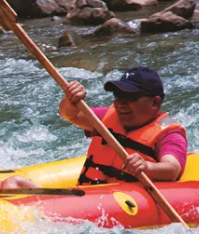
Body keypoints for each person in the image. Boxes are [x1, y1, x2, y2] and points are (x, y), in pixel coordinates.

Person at [59, 66, 187, 185]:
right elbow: (70, 115)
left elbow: (172, 169)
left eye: (130, 98)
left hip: (127, 204)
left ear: (154, 102)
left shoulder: (170, 134)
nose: (120, 104)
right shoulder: (107, 116)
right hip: (90, 196)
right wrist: (70, 99)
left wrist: (148, 166)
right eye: (118, 96)